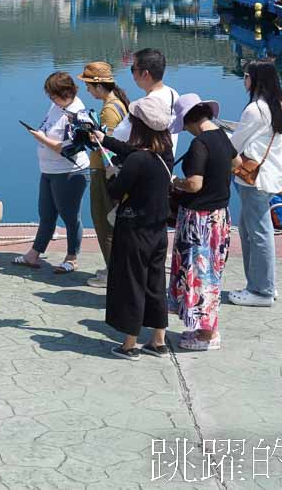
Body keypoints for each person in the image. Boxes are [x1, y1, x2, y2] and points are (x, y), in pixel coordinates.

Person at [96, 95, 173, 359]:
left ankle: (129, 344)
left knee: (131, 283)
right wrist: (103, 139)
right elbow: (134, 153)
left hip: (134, 229)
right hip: (158, 230)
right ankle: (158, 340)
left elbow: (117, 190)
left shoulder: (137, 161)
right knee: (155, 281)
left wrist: (109, 176)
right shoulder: (165, 153)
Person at [169, 94, 233, 351]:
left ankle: (208, 335)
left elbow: (195, 184)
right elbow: (238, 164)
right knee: (211, 273)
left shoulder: (199, 144)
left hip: (200, 220)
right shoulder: (221, 136)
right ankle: (203, 327)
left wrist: (176, 182)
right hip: (219, 216)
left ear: (190, 120)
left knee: (199, 275)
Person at [227, 59, 282, 308]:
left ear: (256, 80)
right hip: (269, 176)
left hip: (253, 179)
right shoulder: (278, 107)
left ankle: (261, 290)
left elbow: (236, 144)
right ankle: (262, 284)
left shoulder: (255, 109)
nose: (244, 81)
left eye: (246, 76)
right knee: (249, 230)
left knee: (258, 233)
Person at [17, 72, 90, 273]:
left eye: (54, 96)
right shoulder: (57, 105)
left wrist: (41, 138)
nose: (52, 100)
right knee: (46, 214)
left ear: (66, 92)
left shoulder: (77, 114)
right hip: (48, 170)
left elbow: (67, 148)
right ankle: (34, 253)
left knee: (69, 216)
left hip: (69, 172)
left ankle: (72, 258)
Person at [78, 62, 130, 288]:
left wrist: (88, 136)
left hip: (104, 171)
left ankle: (113, 272)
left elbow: (106, 145)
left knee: (104, 220)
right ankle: (115, 268)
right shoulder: (119, 104)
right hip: (112, 170)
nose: (87, 90)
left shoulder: (109, 110)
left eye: (88, 85)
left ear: (98, 86)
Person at [119, 48, 181, 154]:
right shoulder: (173, 94)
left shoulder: (143, 106)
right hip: (166, 162)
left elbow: (119, 135)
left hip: (144, 164)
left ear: (145, 74)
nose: (132, 74)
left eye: (133, 69)